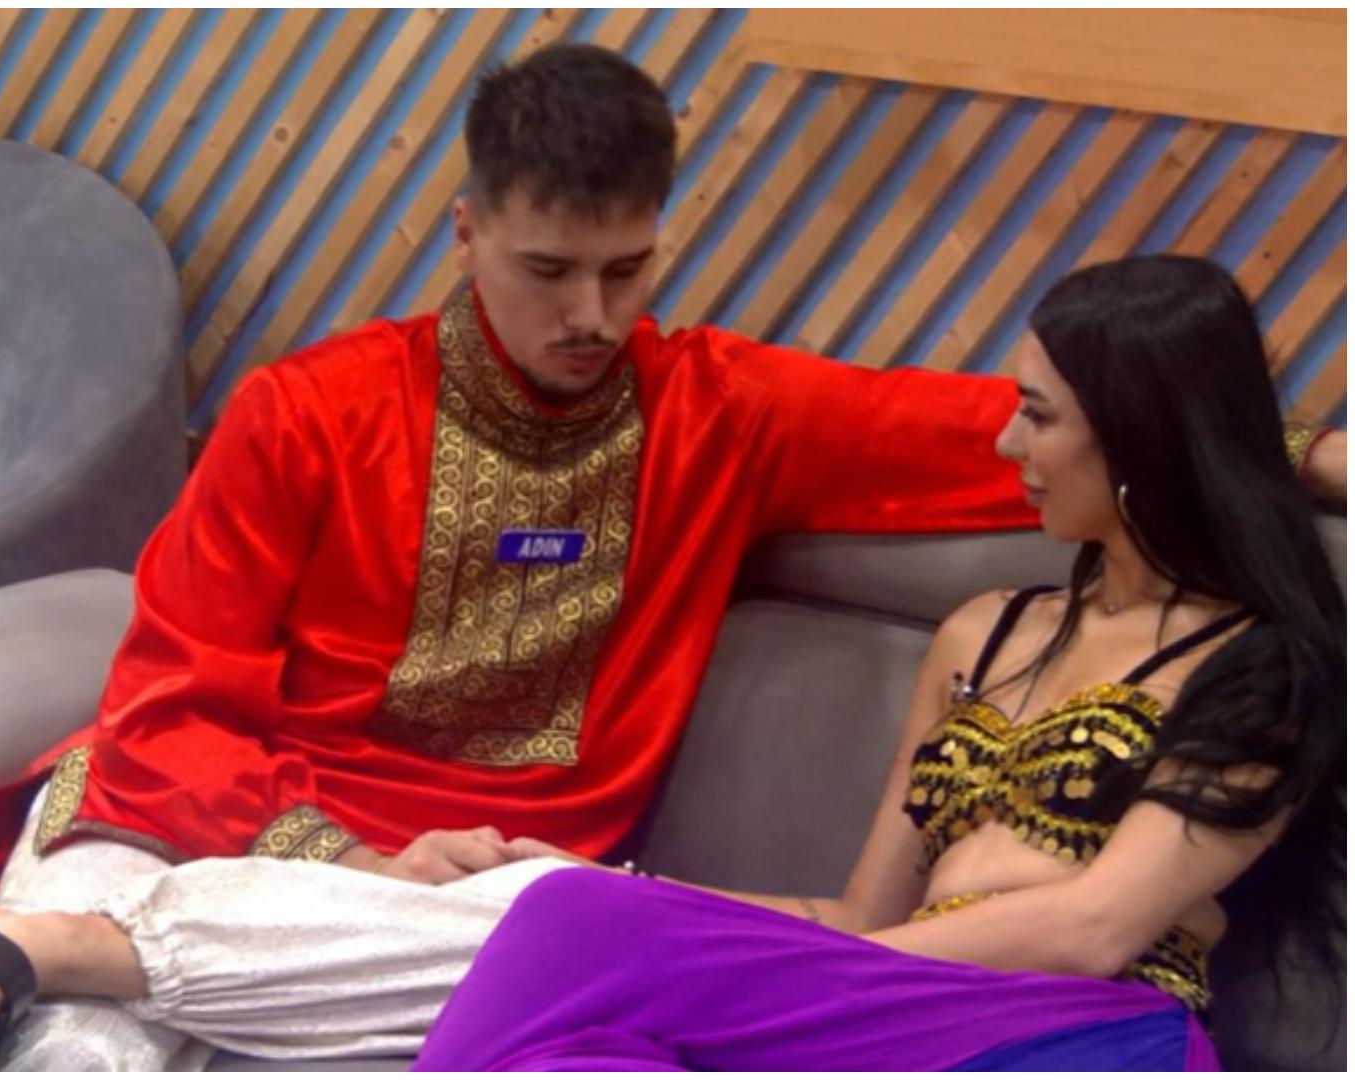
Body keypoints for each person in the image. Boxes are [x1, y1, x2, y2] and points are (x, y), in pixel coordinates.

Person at [0, 42, 1343, 1069]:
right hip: (198, 818)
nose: (592, 315)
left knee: (558, 931)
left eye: (627, 270)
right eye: (549, 272)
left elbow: (1024, 425)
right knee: (85, 1047)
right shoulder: (309, 412)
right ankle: (64, 958)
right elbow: (169, 699)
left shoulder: (719, 410)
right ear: (467, 232)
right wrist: (335, 852)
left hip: (483, 882)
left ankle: (37, 957)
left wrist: (1289, 451)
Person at [404, 255, 1347, 1071]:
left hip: (1084, 1027)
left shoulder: (1264, 665)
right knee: (567, 978)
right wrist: (618, 884)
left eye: (1036, 416)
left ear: (1140, 436)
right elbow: (855, 917)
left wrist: (789, 968)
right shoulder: (982, 633)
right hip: (895, 1005)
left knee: (569, 928)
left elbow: (1094, 928)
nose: (1005, 444)